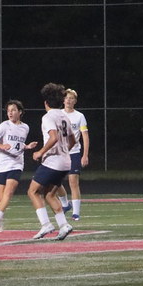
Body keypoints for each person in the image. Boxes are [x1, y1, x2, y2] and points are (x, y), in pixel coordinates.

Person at [26, 83, 76, 240]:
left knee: (32, 191)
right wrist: (64, 151)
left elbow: (53, 137)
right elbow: (73, 140)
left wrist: (40, 152)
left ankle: (46, 224)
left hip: (53, 162)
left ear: (45, 103)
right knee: (49, 194)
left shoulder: (48, 117)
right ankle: (64, 225)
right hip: (65, 162)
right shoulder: (64, 116)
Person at [0, 99, 37, 231]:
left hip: (16, 164)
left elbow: (17, 145)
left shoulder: (25, 127)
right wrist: (2, 146)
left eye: (13, 110)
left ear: (20, 112)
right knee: (0, 197)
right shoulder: (4, 126)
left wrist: (26, 146)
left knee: (9, 192)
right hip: (2, 164)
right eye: (8, 111)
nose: (10, 113)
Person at [54, 88, 89, 219]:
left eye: (71, 98)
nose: (69, 100)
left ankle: (76, 213)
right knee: (54, 181)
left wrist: (85, 155)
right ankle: (65, 204)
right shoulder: (58, 114)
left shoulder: (79, 116)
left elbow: (85, 135)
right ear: (63, 100)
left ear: (75, 101)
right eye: (67, 98)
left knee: (73, 182)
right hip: (60, 153)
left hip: (74, 152)